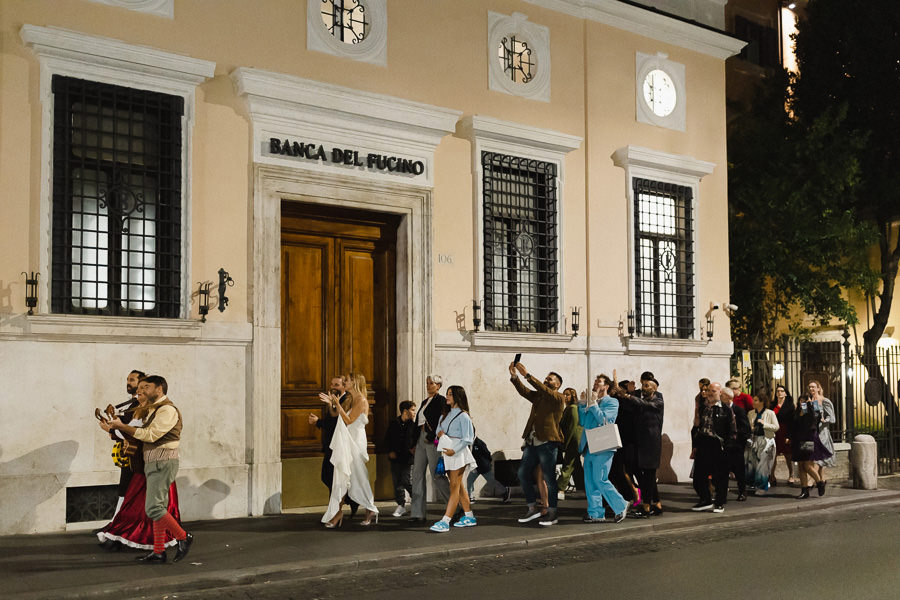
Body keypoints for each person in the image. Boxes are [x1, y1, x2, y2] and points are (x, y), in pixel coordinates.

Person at [104, 375, 192, 563]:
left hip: (162, 461)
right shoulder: (153, 409)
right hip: (153, 462)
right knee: (157, 508)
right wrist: (117, 425)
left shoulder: (167, 410)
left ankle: (183, 537)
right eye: (141, 387)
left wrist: (122, 426)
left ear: (159, 389)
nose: (141, 391)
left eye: (146, 387)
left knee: (153, 509)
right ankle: (159, 551)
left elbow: (150, 435)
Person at [509, 361, 566, 527]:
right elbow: (525, 392)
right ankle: (532, 507)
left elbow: (545, 390)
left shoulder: (558, 398)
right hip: (532, 441)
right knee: (522, 473)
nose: (547, 380)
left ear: (558, 384)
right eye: (546, 378)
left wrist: (527, 375)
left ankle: (552, 512)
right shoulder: (541, 396)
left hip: (548, 443)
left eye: (551, 379)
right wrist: (514, 377)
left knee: (549, 478)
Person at [321, 373, 379, 527]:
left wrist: (337, 403)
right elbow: (337, 416)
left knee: (357, 476)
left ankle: (369, 508)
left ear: (355, 382)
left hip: (355, 442)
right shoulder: (351, 399)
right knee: (342, 475)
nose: (344, 382)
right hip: (347, 440)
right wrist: (333, 403)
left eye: (347, 380)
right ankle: (338, 513)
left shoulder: (361, 400)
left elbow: (348, 420)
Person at [579, 374, 629, 523]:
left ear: (606, 386)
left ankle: (621, 504)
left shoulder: (612, 402)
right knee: (590, 481)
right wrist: (582, 405)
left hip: (604, 445)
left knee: (600, 478)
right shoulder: (591, 402)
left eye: (598, 382)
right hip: (589, 445)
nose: (595, 384)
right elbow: (582, 422)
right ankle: (595, 512)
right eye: (594, 381)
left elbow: (605, 420)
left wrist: (593, 405)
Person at [613, 371, 664, 517]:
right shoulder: (638, 396)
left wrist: (628, 395)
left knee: (648, 476)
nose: (644, 387)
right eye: (643, 384)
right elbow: (626, 398)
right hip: (641, 442)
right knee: (647, 476)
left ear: (654, 388)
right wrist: (620, 388)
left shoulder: (658, 399)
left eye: (647, 385)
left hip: (651, 443)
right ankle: (657, 504)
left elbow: (644, 404)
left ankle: (646, 507)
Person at [308, 375, 359, 518]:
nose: (332, 387)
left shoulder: (347, 399)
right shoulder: (335, 400)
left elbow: (337, 422)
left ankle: (335, 511)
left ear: (343, 386)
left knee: (332, 477)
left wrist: (318, 422)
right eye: (332, 384)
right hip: (330, 444)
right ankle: (350, 499)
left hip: (340, 445)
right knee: (327, 477)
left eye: (336, 384)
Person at [430, 386, 477, 532]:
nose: (447, 397)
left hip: (458, 453)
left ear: (458, 396)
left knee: (454, 487)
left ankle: (446, 520)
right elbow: (437, 429)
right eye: (447, 394)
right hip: (448, 453)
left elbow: (468, 438)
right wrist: (440, 435)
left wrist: (454, 450)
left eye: (450, 394)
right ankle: (469, 515)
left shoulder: (463, 416)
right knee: (458, 486)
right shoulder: (445, 414)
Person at [409, 375, 451, 523]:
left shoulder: (441, 401)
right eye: (427, 383)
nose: (428, 386)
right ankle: (418, 513)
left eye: (431, 383)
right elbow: (417, 423)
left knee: (437, 475)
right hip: (420, 438)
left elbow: (443, 420)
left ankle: (454, 508)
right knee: (417, 475)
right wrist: (413, 443)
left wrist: (432, 435)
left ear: (438, 386)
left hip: (431, 440)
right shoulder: (424, 402)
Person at [691, 382, 734, 513]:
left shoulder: (725, 409)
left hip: (718, 444)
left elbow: (732, 430)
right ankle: (705, 499)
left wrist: (727, 447)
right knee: (698, 476)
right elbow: (697, 426)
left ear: (720, 393)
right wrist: (695, 446)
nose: (710, 393)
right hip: (704, 442)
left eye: (713, 391)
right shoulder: (703, 407)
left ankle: (719, 502)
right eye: (709, 390)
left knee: (720, 476)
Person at [793, 381, 828, 499]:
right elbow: (796, 422)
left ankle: (819, 482)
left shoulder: (814, 405)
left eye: (805, 399)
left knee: (807, 465)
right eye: (801, 400)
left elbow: (816, 418)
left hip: (808, 437)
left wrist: (810, 405)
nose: (802, 402)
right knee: (801, 466)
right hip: (798, 439)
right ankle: (804, 490)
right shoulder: (798, 410)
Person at [385, 401, 417, 517]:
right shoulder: (394, 423)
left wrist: (413, 448)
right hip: (396, 458)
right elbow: (388, 439)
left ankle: (417, 500)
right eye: (412, 410)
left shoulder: (413, 426)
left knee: (406, 481)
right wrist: (390, 451)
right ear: (405, 411)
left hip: (407, 459)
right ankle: (401, 505)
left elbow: (415, 440)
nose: (414, 413)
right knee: (397, 482)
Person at [721, 386, 750, 501]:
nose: (719, 397)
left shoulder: (739, 410)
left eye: (721, 395)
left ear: (727, 397)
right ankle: (722, 495)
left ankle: (742, 491)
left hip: (736, 446)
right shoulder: (721, 409)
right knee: (723, 472)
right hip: (724, 446)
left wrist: (737, 440)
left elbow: (745, 429)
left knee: (739, 471)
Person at [746, 394, 779, 494]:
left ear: (762, 402)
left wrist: (765, 424)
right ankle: (755, 483)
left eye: (755, 400)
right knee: (753, 463)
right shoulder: (751, 413)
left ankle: (762, 487)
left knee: (763, 465)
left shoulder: (770, 413)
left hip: (767, 440)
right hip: (755, 439)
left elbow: (776, 427)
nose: (753, 402)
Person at [556, 387, 584, 493]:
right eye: (564, 394)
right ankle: (583, 488)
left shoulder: (573, 408)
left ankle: (560, 489)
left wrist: (566, 444)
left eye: (567, 395)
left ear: (573, 396)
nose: (565, 397)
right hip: (573, 441)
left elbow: (573, 428)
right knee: (576, 466)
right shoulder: (569, 408)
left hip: (573, 441)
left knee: (568, 464)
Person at [812, 381, 836, 495]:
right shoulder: (809, 400)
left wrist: (824, 420)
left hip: (822, 434)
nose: (811, 389)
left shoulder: (824, 401)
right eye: (810, 387)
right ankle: (821, 481)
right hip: (811, 433)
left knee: (817, 460)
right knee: (817, 460)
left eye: (813, 387)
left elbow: (832, 418)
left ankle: (810, 483)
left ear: (818, 388)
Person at [771, 384, 795, 485]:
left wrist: (789, 436)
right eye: (778, 391)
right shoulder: (773, 404)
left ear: (785, 393)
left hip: (785, 430)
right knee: (773, 454)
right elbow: (771, 415)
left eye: (781, 391)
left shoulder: (790, 405)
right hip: (775, 430)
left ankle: (791, 475)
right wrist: (778, 406)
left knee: (788, 455)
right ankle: (772, 476)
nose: (779, 393)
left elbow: (791, 421)